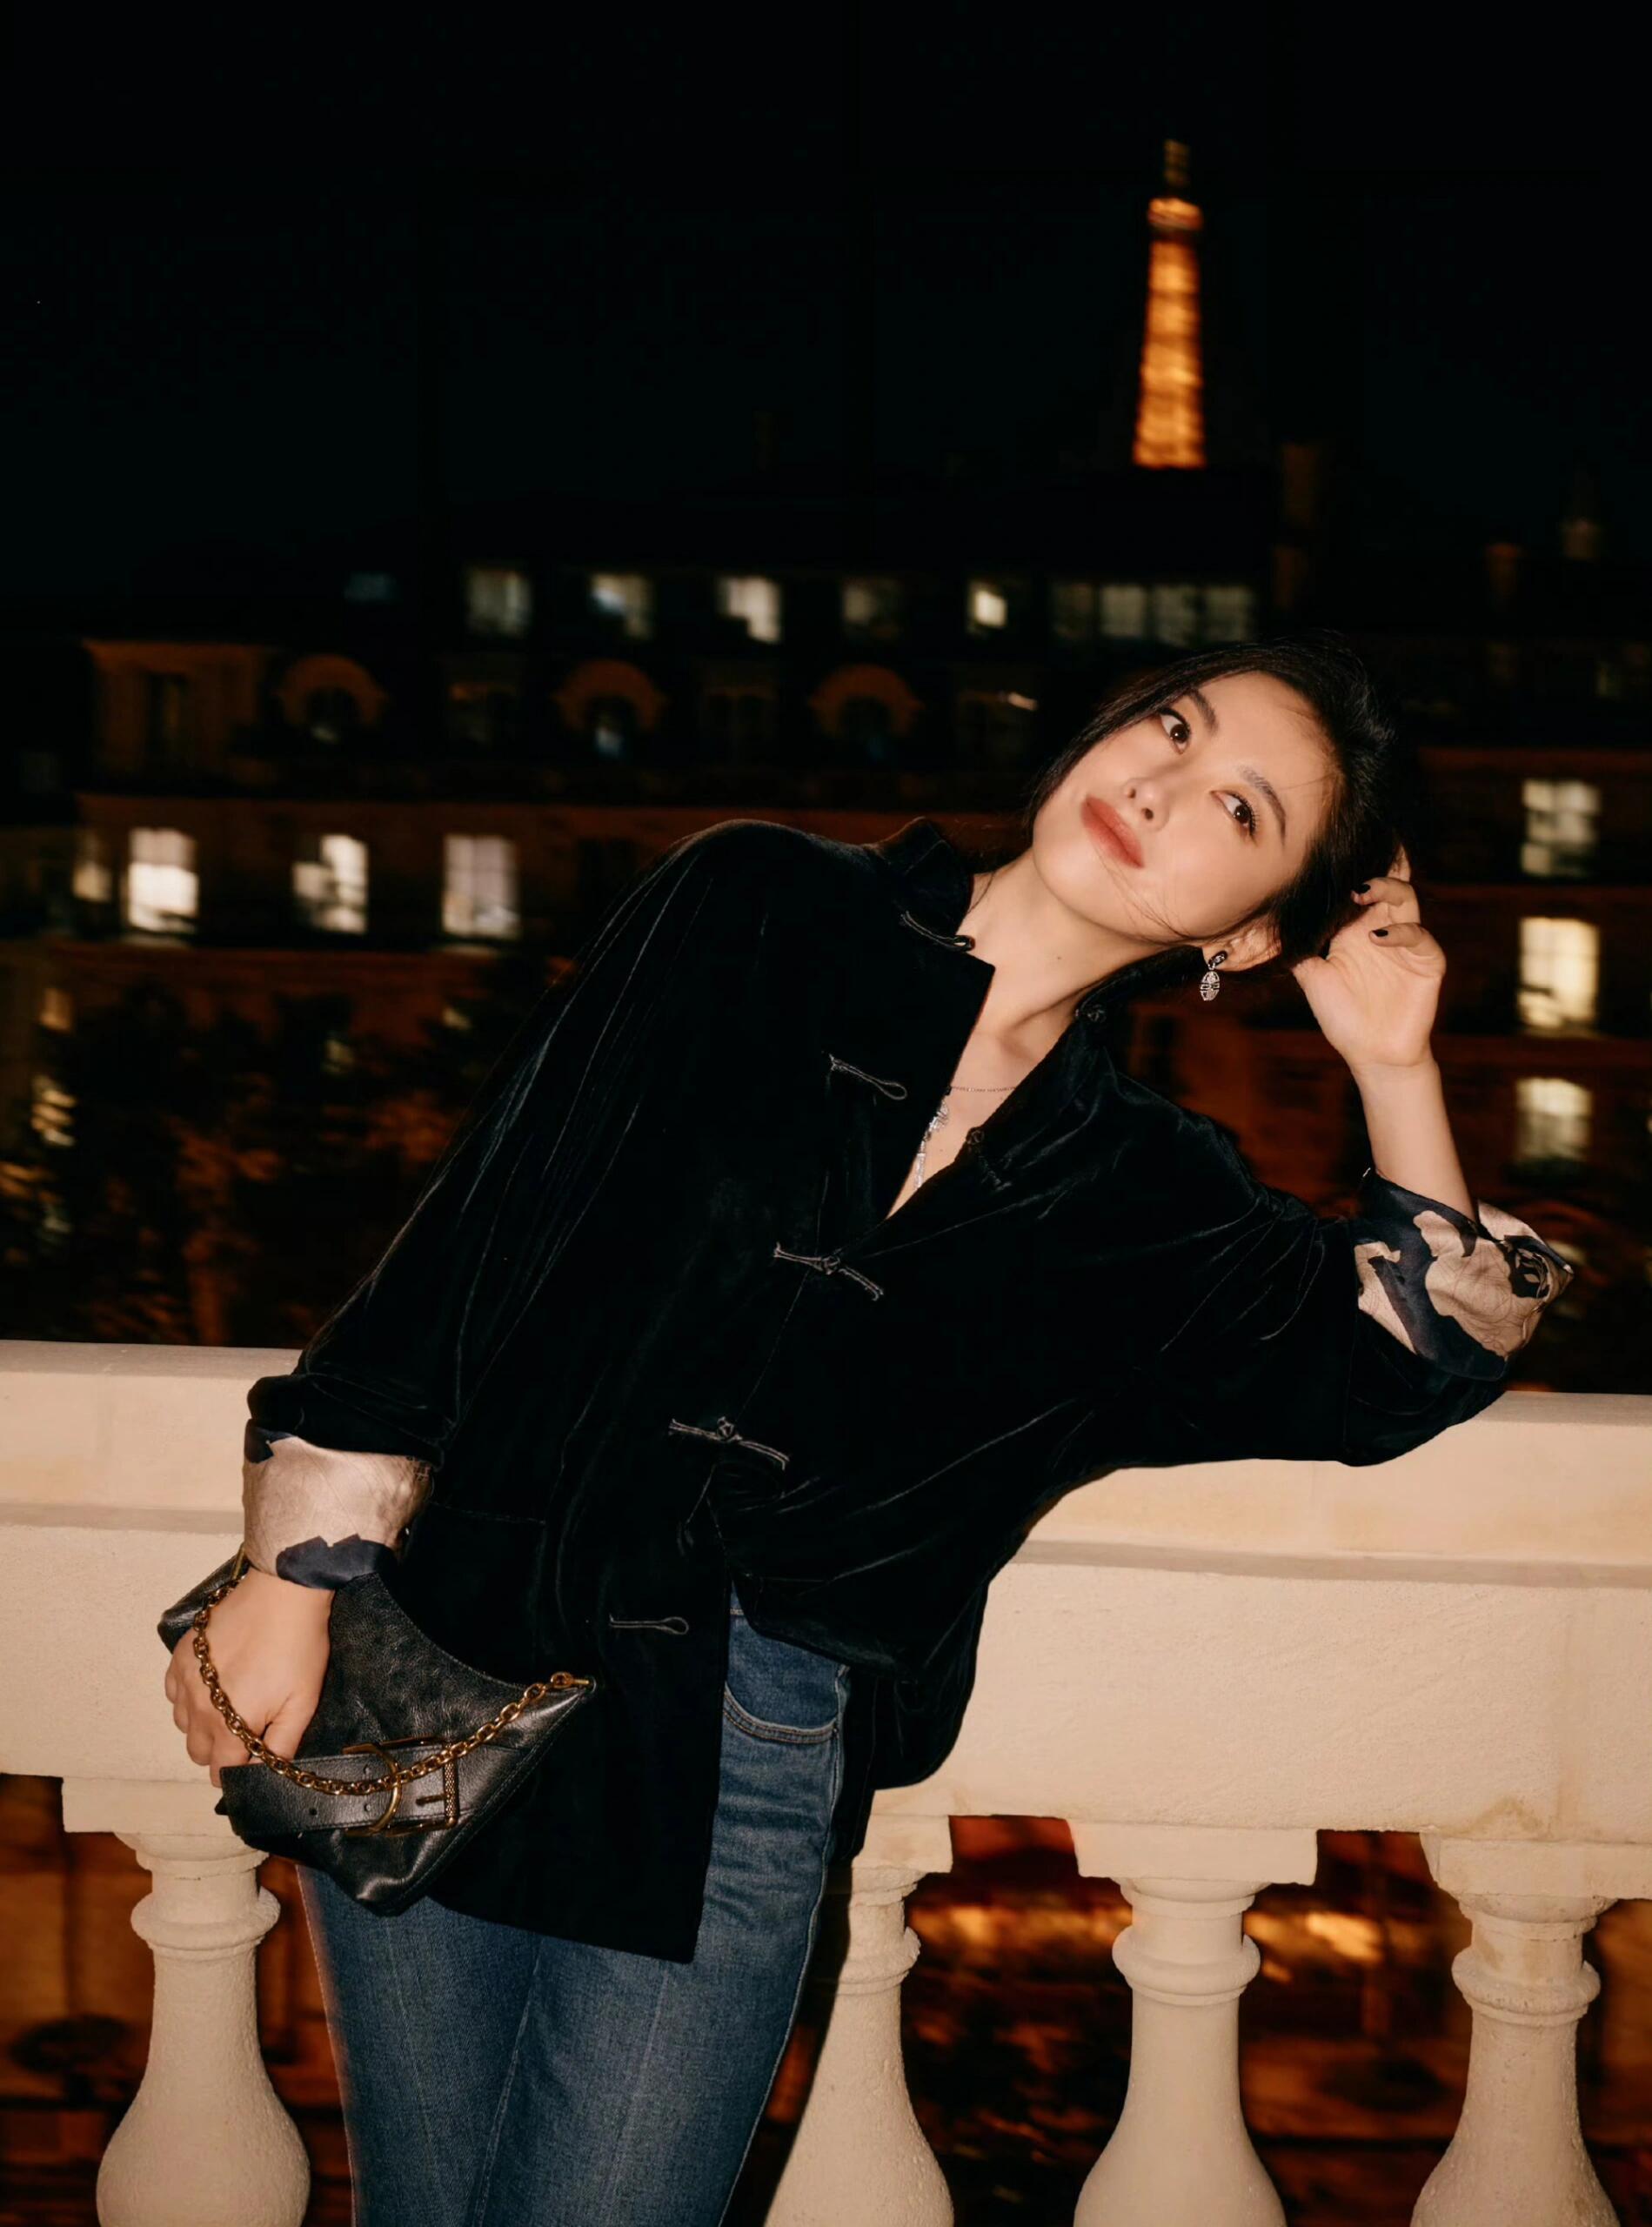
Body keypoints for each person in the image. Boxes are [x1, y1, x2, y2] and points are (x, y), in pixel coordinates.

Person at [165, 635, 1574, 2226]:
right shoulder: (756, 901)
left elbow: (1405, 1366)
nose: (1165, 785)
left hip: (741, 1747)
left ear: (1246, 935)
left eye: (1241, 810)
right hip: (447, 1655)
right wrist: (297, 1568)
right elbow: (475, 1228)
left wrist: (1393, 1061)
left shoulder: (1142, 1194)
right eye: (1173, 728)